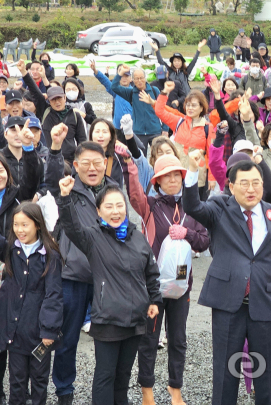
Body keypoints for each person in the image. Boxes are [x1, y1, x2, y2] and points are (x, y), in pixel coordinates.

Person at [183, 149, 271, 405]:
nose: (251, 189)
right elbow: (192, 206)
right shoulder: (220, 208)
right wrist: (192, 171)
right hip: (228, 301)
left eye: (256, 183)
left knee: (264, 369)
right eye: (244, 184)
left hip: (263, 301)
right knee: (225, 370)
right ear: (231, 186)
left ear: (263, 185)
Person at [57, 175, 162, 405]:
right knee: (105, 376)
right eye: (109, 206)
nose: (115, 211)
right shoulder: (93, 237)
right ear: (98, 211)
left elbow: (151, 271)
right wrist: (64, 198)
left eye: (119, 205)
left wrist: (154, 300)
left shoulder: (137, 236)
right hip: (108, 320)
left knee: (123, 376)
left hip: (135, 319)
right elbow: (71, 226)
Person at [120, 152, 209, 405]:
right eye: (165, 176)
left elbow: (204, 241)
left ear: (182, 177)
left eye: (176, 174)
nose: (172, 179)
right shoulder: (150, 205)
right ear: (157, 181)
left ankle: (175, 389)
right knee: (148, 340)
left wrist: (188, 233)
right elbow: (135, 194)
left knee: (178, 340)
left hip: (182, 288)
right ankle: (147, 391)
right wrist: (130, 167)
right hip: (153, 288)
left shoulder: (193, 207)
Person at [46, 126, 121, 405]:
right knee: (67, 339)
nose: (92, 168)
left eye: (97, 163)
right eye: (85, 164)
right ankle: (65, 391)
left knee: (109, 338)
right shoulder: (67, 187)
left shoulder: (113, 190)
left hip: (105, 277)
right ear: (75, 166)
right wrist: (55, 147)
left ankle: (106, 391)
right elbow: (52, 175)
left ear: (105, 163)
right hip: (73, 275)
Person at [0, 201, 63, 405]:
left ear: (37, 224)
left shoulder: (50, 255)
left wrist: (49, 330)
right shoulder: (11, 250)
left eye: (25, 224)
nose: (19, 230)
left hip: (38, 333)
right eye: (16, 225)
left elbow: (54, 295)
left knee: (39, 381)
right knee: (16, 382)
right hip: (15, 332)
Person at [155, 81, 217, 200]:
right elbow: (159, 111)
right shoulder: (179, 122)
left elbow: (212, 155)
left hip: (199, 177)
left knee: (197, 208)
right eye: (188, 105)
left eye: (194, 105)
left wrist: (212, 178)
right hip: (179, 174)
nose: (190, 108)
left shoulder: (208, 128)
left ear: (201, 108)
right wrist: (165, 92)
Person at [111, 65, 168, 155]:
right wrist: (121, 73)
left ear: (145, 78)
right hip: (138, 132)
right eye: (136, 78)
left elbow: (163, 109)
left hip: (155, 131)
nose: (139, 81)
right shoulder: (130, 92)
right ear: (132, 80)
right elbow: (114, 87)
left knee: (158, 155)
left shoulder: (154, 90)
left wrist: (165, 129)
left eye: (141, 78)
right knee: (139, 158)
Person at [89, 61, 134, 143]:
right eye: (121, 76)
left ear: (131, 79)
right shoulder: (116, 91)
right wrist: (95, 70)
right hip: (118, 128)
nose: (124, 78)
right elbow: (105, 81)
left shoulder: (135, 92)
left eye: (126, 76)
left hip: (133, 128)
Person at [42, 86, 87, 163]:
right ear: (49, 101)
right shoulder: (45, 113)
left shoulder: (75, 115)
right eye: (53, 99)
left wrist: (80, 158)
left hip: (71, 160)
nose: (57, 102)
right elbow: (33, 92)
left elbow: (82, 140)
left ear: (65, 98)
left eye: (59, 98)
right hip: (50, 158)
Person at [88, 119, 125, 188]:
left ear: (111, 136)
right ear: (91, 134)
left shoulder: (118, 156)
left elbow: (138, 153)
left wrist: (128, 133)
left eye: (105, 132)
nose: (100, 135)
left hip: (114, 196)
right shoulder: (84, 156)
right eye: (97, 131)